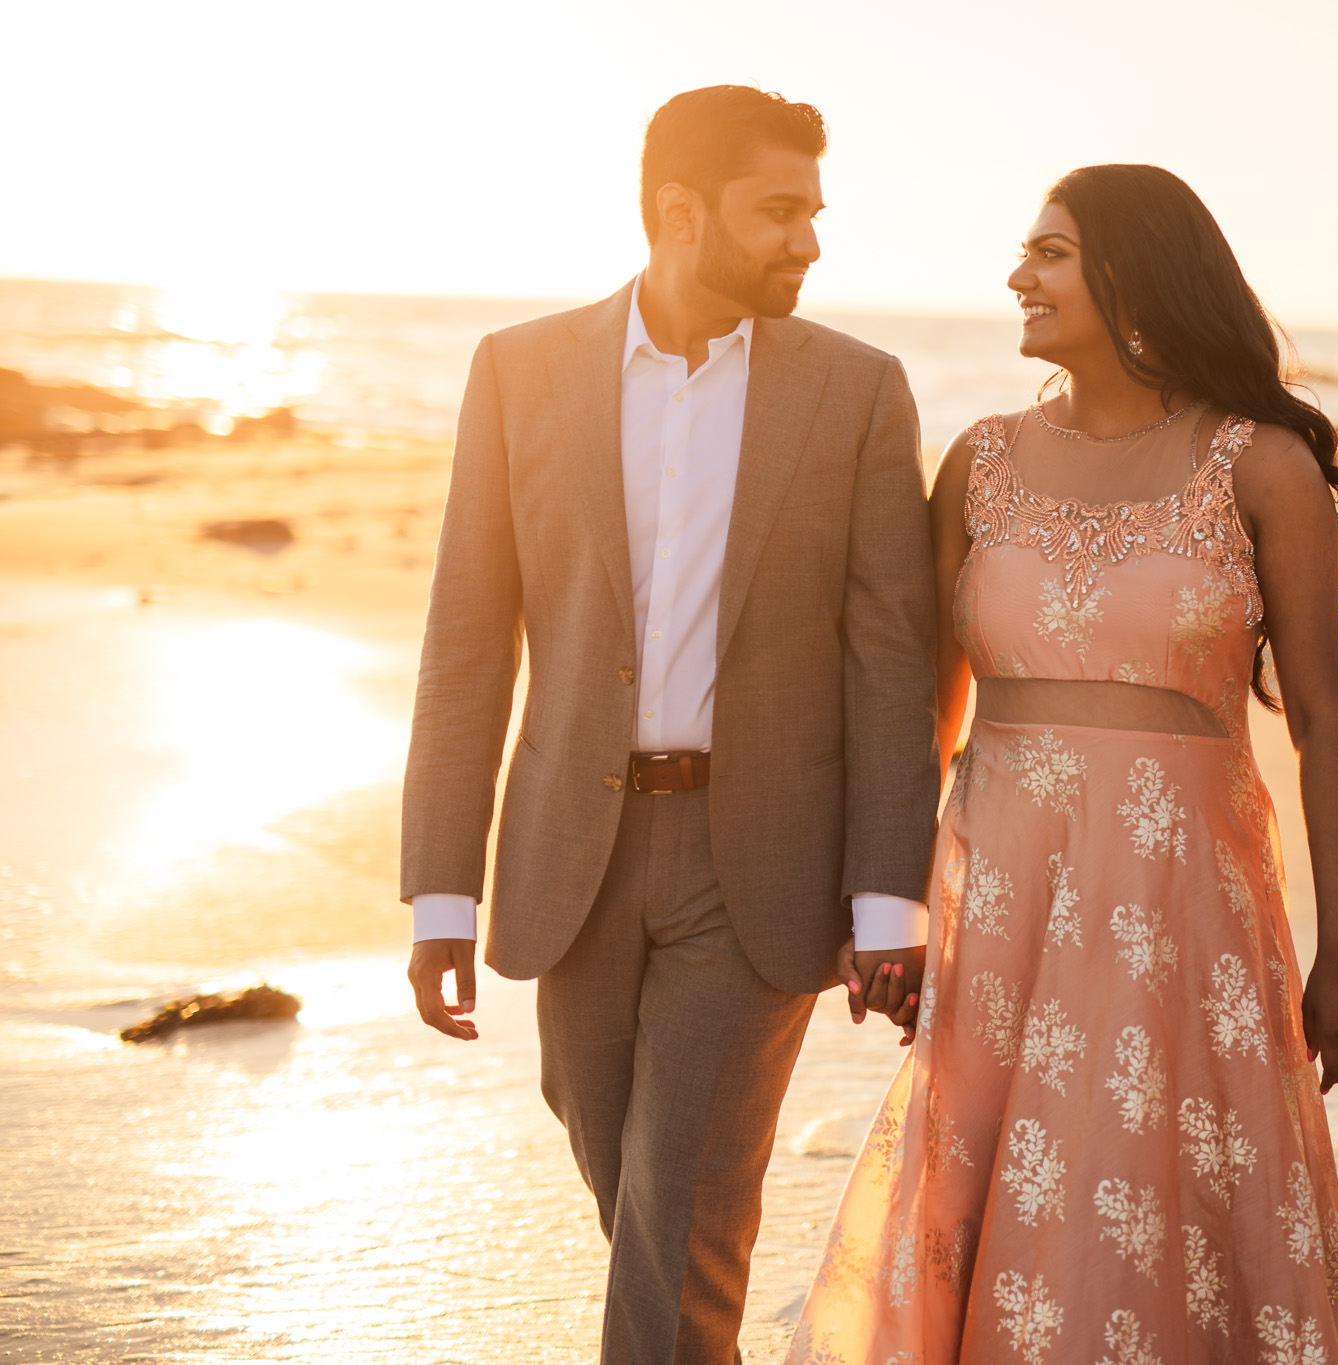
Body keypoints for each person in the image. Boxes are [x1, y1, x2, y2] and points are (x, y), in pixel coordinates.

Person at [789, 163, 1338, 1364]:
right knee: (988, 1195)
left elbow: (1321, 723)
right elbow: (922, 715)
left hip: (1181, 914)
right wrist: (891, 909)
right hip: (999, 900)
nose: (1018, 276)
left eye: (1049, 253)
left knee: (1139, 1195)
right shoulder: (980, 461)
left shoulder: (1260, 466)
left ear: (1133, 273)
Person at [400, 86, 939, 1364]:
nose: (808, 242)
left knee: (680, 1212)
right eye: (779, 213)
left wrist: (885, 903)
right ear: (675, 211)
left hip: (754, 865)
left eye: (815, 214)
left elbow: (889, 659)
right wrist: (439, 896)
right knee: (641, 1193)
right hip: (567, 859)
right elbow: (468, 641)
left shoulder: (858, 393)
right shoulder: (517, 371)